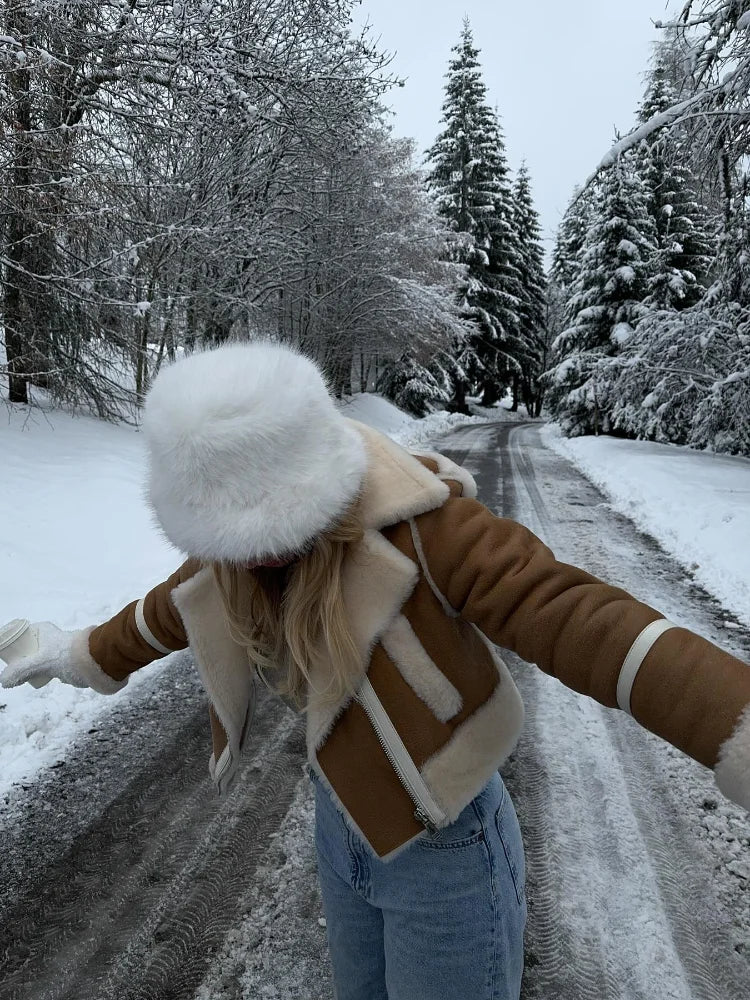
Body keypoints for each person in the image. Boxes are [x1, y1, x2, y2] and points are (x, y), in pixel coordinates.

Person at [3, 340, 750, 1000]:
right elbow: (168, 612)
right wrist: (72, 652)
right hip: (343, 830)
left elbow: (576, 615)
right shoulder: (232, 555)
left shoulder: (427, 529)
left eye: (269, 530)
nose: (253, 556)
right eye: (230, 538)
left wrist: (733, 721)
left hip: (448, 848)